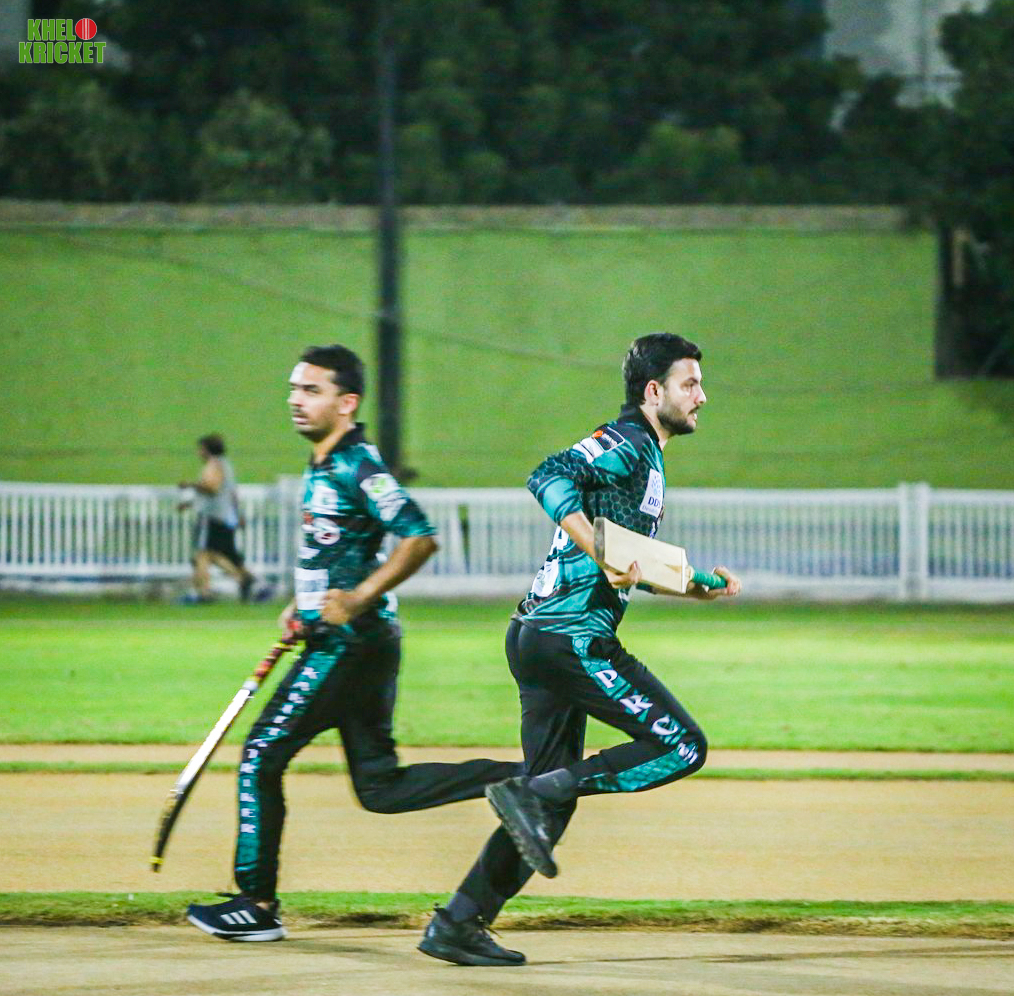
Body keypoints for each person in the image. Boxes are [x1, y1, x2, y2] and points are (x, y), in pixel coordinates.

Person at [418, 333, 742, 967]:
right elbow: (548, 475)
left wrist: (696, 584)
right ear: (654, 391)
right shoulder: (626, 441)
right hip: (569, 640)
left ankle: (457, 923)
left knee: (549, 805)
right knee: (680, 745)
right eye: (690, 384)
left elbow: (629, 556)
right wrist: (596, 547)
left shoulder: (646, 455)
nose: (702, 396)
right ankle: (533, 793)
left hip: (541, 638)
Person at [186, 345, 520, 944]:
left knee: (261, 754)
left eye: (311, 390)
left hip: (349, 644)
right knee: (380, 788)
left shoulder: (357, 465)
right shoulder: (325, 462)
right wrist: (304, 603)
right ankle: (522, 780)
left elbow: (419, 536)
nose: (296, 399)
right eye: (294, 388)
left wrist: (358, 598)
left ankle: (256, 903)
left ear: (347, 403)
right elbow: (337, 548)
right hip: (357, 641)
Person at [178, 434, 259, 603]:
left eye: (201, 449)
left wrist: (190, 485)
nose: (199, 453)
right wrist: (237, 514)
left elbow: (212, 488)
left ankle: (206, 592)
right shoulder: (226, 464)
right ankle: (244, 580)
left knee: (203, 554)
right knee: (223, 553)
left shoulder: (214, 464)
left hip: (211, 516)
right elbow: (229, 493)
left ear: (207, 449)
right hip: (224, 515)